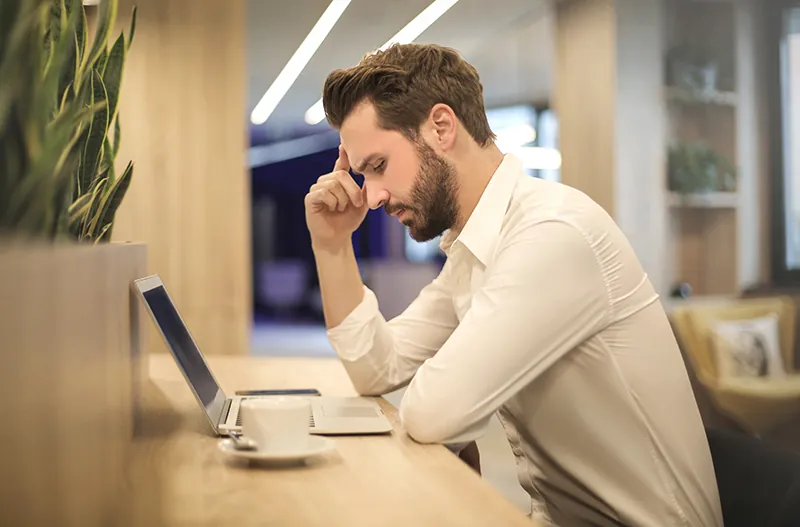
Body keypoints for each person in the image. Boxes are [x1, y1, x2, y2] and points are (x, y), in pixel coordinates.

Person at [304, 43, 723, 527]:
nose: (371, 195)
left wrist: (450, 409)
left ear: (441, 127)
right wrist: (332, 246)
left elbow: (432, 413)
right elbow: (377, 369)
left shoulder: (552, 233)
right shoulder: (474, 248)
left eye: (378, 166)